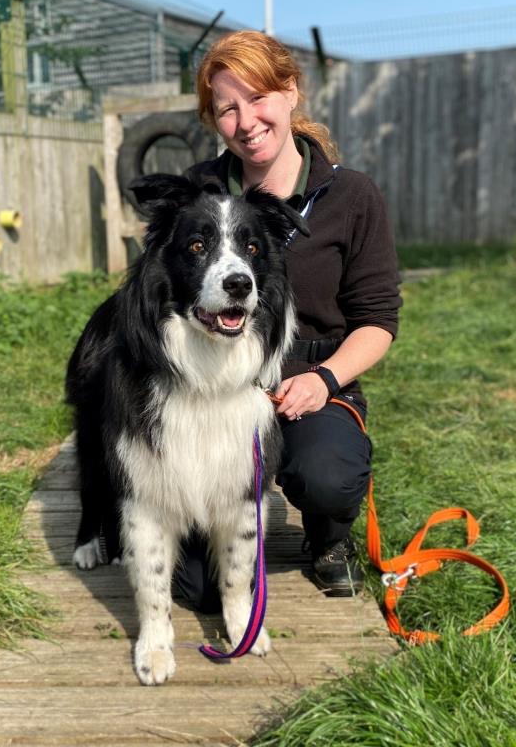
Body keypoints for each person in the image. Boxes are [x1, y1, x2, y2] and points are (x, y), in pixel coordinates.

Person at [174, 30, 402, 607]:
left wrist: (325, 381)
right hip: (217, 380)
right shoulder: (199, 192)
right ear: (213, 120)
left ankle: (329, 539)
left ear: (291, 92)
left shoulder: (351, 196)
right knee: (201, 588)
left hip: (310, 376)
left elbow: (377, 320)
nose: (246, 120)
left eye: (258, 98)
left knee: (327, 475)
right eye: (227, 108)